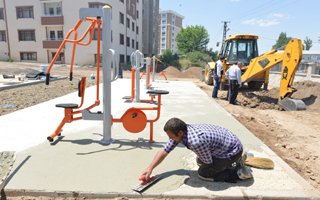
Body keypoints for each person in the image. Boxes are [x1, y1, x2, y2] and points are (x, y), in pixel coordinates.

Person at [140, 118, 252, 183]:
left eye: (171, 137)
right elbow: (165, 150)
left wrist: (207, 166)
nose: (170, 140)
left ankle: (240, 172)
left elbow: (208, 162)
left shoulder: (195, 142)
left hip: (232, 150)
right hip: (230, 143)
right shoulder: (183, 131)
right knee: (200, 160)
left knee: (204, 173)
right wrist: (150, 168)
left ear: (179, 133)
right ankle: (235, 160)